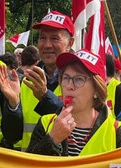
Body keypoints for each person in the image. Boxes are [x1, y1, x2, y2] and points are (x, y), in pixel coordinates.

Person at [27, 49, 121, 156]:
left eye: (79, 79)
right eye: (66, 78)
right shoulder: (46, 123)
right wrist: (53, 140)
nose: (69, 86)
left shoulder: (119, 133)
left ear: (97, 90)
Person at [13, 10, 75, 150]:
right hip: (30, 165)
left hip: (66, 167)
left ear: (70, 43)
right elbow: (14, 136)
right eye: (42, 38)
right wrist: (11, 106)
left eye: (54, 38)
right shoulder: (26, 80)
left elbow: (81, 123)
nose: (47, 45)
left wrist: (45, 96)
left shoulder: (83, 82)